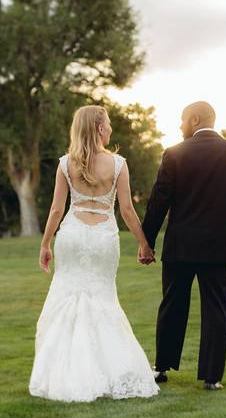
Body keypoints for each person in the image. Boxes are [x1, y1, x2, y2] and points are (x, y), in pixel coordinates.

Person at [29, 105, 159, 402]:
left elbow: (57, 209)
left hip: (72, 236)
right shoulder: (118, 164)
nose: (111, 128)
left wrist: (45, 244)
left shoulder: (66, 164)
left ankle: (66, 373)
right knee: (103, 300)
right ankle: (111, 369)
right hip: (102, 237)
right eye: (108, 124)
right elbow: (126, 210)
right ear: (100, 128)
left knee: (68, 298)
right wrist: (144, 244)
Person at [141, 101, 226, 390]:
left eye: (182, 120)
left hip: (181, 246)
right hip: (220, 247)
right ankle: (212, 377)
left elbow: (159, 202)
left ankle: (161, 367)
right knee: (216, 309)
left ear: (195, 119)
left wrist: (147, 241)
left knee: (172, 305)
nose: (180, 126)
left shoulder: (175, 154)